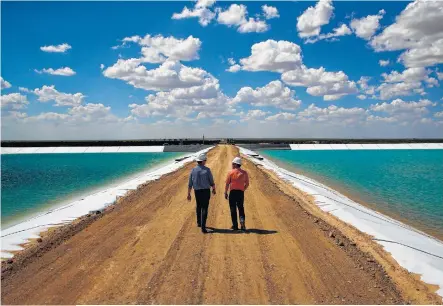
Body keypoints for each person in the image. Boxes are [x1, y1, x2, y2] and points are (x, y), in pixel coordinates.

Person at [187, 153, 216, 233]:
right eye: (205, 160)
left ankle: (199, 223)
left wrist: (189, 194)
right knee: (205, 208)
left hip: (197, 192)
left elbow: (190, 184)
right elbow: (211, 182)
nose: (205, 161)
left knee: (198, 206)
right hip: (206, 191)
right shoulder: (207, 170)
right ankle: (203, 228)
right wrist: (213, 189)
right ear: (203, 161)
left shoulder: (193, 170)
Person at [224, 157, 249, 231]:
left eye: (232, 164)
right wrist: (242, 189)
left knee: (233, 209)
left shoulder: (230, 172)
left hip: (233, 193)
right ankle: (242, 225)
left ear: (235, 164)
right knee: (241, 208)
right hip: (240, 193)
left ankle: (235, 226)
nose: (232, 165)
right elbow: (247, 184)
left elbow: (227, 184)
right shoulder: (244, 173)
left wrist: (225, 192)